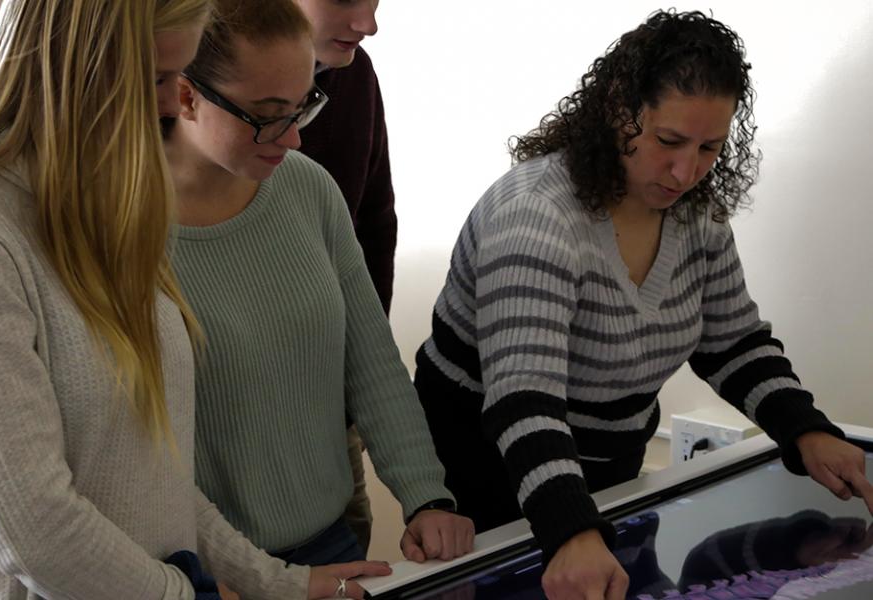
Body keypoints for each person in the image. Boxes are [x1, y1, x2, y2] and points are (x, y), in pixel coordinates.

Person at [411, 9, 873, 600]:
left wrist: (807, 431)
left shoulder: (695, 213)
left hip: (604, 483)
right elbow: (524, 399)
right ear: (617, 112)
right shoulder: (536, 217)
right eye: (669, 141)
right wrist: (572, 532)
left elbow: (732, 344)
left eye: (710, 147)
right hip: (494, 484)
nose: (687, 171)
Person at [0, 1, 389, 598]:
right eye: (157, 80)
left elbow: (153, 476)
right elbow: (30, 529)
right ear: (74, 66)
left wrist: (278, 584)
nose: (174, 104)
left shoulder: (99, 205)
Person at [164, 0, 474, 569]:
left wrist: (427, 496)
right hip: (206, 567)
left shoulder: (310, 190)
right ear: (186, 96)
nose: (295, 138)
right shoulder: (123, 232)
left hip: (330, 538)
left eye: (303, 106)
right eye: (268, 113)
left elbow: (373, 361)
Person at [293, 0, 389, 555]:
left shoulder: (357, 75)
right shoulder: (183, 80)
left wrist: (361, 375)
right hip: (228, 414)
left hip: (335, 394)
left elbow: (376, 222)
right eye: (345, 1)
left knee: (352, 543)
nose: (368, 24)